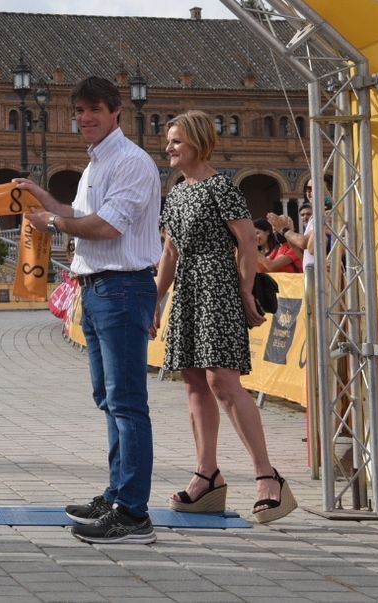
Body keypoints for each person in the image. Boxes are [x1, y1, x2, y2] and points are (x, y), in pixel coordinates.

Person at [19, 76, 162, 545]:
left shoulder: (131, 162)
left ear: (117, 111)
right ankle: (117, 494)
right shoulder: (96, 164)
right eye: (79, 111)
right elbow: (79, 216)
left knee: (127, 402)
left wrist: (53, 221)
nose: (85, 118)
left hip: (122, 287)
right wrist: (43, 199)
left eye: (94, 109)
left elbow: (106, 227)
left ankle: (133, 513)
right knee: (109, 398)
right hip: (98, 290)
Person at [155, 111, 296, 523]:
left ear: (198, 143)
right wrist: (155, 299)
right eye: (169, 140)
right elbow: (169, 252)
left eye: (176, 141)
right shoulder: (176, 194)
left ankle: (268, 476)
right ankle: (207, 475)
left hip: (218, 288)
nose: (168, 147)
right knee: (194, 381)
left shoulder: (221, 188)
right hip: (188, 290)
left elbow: (248, 240)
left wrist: (245, 289)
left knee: (223, 381)